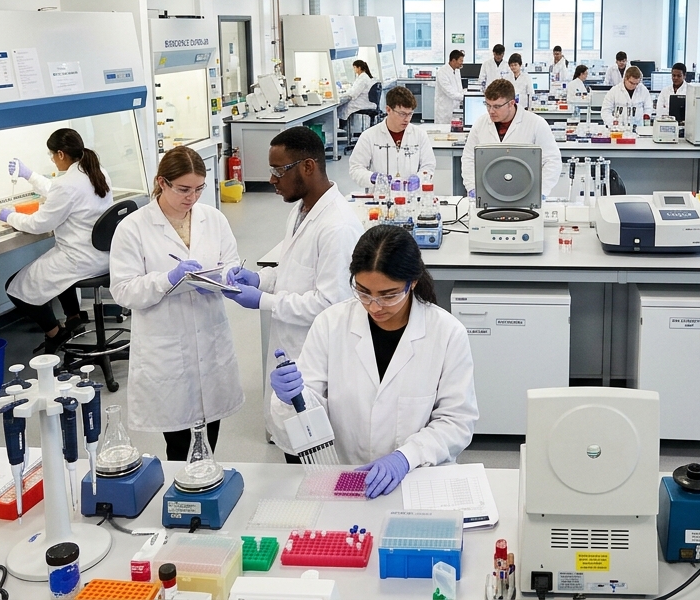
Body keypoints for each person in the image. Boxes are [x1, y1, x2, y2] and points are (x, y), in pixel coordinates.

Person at [269, 226, 478, 494]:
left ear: (412, 282)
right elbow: (309, 412)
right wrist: (291, 399)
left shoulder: (447, 333)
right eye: (364, 292)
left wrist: (406, 457)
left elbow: (457, 421)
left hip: (416, 478)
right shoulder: (330, 324)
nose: (374, 306)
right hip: (348, 478)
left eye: (389, 295)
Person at [225, 127, 365, 441]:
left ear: (308, 167)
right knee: (294, 442)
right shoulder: (301, 211)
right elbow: (294, 271)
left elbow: (331, 304)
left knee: (314, 457)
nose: (272, 179)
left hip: (317, 358)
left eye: (278, 170)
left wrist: (262, 300)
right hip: (291, 349)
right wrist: (261, 280)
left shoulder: (337, 227)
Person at [109, 146, 245, 460]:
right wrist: (167, 280)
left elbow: (230, 260)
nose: (192, 197)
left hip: (210, 335)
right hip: (165, 344)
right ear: (162, 182)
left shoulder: (213, 219)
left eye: (199, 189)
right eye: (183, 189)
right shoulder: (133, 228)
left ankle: (208, 485)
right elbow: (124, 290)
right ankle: (185, 498)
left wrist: (227, 276)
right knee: (180, 445)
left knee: (211, 432)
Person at [2, 129, 115, 353]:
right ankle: (73, 318)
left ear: (61, 154)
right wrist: (29, 175)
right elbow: (59, 191)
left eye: (52, 155)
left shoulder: (69, 184)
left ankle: (56, 333)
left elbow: (39, 224)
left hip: (80, 259)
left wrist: (10, 217)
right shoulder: (96, 171)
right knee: (52, 264)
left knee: (15, 287)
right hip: (104, 256)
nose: (52, 160)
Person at [461, 79, 562, 199]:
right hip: (488, 192)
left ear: (511, 103)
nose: (491, 111)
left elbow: (552, 161)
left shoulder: (536, 124)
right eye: (487, 105)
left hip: (526, 192)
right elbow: (468, 158)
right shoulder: (480, 123)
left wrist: (541, 191)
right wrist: (472, 187)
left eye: (497, 106)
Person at [349, 85, 436, 190]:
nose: (407, 119)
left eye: (410, 114)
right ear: (388, 110)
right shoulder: (369, 136)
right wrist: (373, 178)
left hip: (411, 197)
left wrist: (419, 179)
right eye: (402, 114)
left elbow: (429, 166)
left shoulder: (419, 135)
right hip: (380, 197)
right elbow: (356, 168)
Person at [433, 49, 464, 126]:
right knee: (442, 132)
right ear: (453, 60)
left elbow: (459, 88)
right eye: (460, 61)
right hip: (444, 109)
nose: (462, 63)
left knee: (455, 131)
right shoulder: (442, 72)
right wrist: (464, 97)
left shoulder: (457, 70)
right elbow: (449, 92)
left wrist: (463, 94)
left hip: (455, 108)